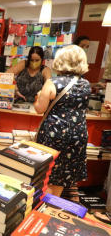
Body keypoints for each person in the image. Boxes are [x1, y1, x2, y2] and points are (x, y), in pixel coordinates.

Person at [34, 45, 90, 198]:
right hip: (78, 135)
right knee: (62, 176)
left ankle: (42, 208)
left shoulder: (53, 83)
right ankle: (52, 206)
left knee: (49, 173)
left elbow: (40, 109)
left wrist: (39, 96)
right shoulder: (86, 85)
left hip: (55, 134)